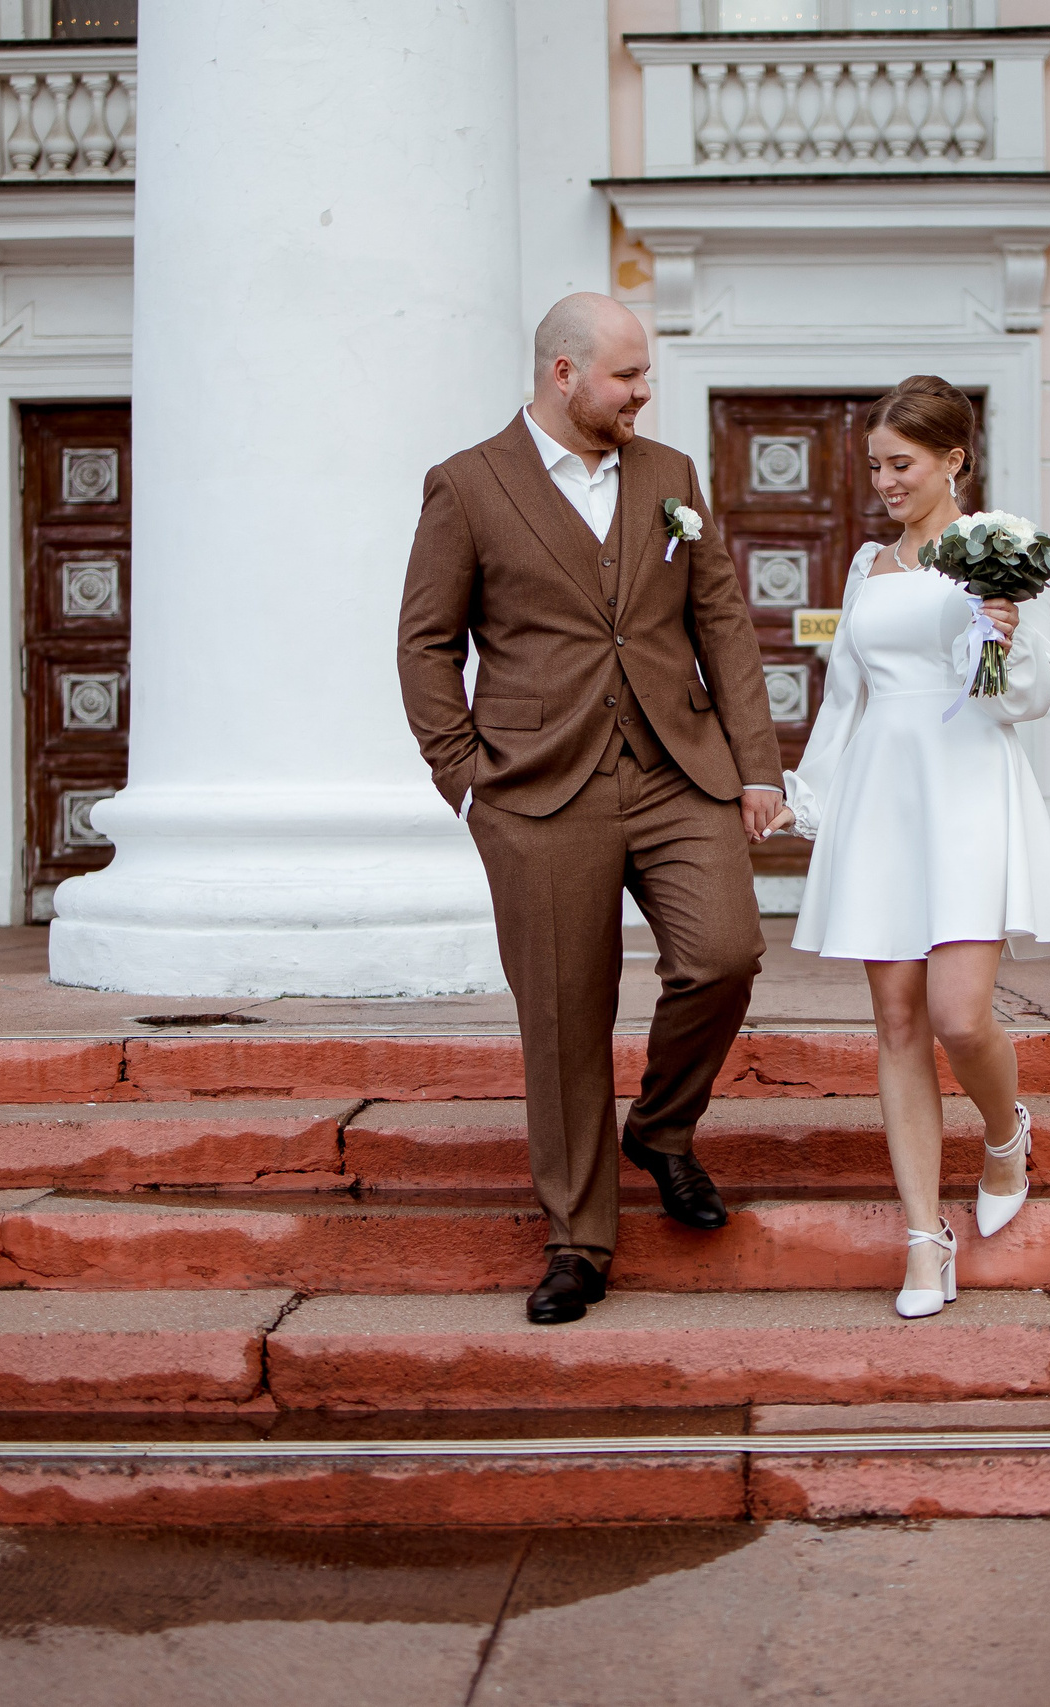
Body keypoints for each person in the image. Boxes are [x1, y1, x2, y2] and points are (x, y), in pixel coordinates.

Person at [397, 293, 789, 1325]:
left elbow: (722, 622)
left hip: (676, 770)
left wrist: (759, 768)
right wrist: (464, 776)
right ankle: (578, 1239)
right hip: (533, 787)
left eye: (644, 374)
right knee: (565, 1017)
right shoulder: (468, 485)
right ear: (562, 374)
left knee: (725, 953)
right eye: (627, 376)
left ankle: (660, 1129)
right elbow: (427, 642)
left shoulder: (672, 478)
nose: (643, 393)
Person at [777, 377, 1050, 1318]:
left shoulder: (1000, 549)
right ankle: (925, 1237)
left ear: (954, 459)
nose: (882, 481)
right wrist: (811, 800)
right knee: (897, 1021)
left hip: (964, 786)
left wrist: (1000, 638)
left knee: (961, 1015)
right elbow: (847, 696)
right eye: (874, 464)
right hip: (882, 792)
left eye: (900, 464)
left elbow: (1029, 697)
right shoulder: (869, 564)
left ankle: (1005, 1131)